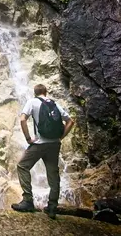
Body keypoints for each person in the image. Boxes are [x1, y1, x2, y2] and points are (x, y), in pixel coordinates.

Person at [11, 83, 74, 218]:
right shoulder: (54, 104)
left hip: (39, 144)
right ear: (46, 92)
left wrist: (28, 138)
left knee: (22, 166)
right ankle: (52, 207)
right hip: (54, 144)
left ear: (35, 93)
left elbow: (22, 119)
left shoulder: (32, 102)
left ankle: (28, 200)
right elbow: (70, 121)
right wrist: (61, 137)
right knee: (53, 174)